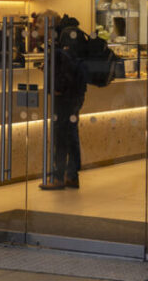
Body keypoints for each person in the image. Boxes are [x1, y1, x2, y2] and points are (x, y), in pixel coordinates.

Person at [40, 15, 88, 190]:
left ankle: (58, 177)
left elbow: (65, 68)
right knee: (71, 134)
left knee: (60, 135)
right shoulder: (73, 35)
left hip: (65, 97)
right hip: (76, 95)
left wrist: (57, 87)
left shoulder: (62, 39)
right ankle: (72, 176)